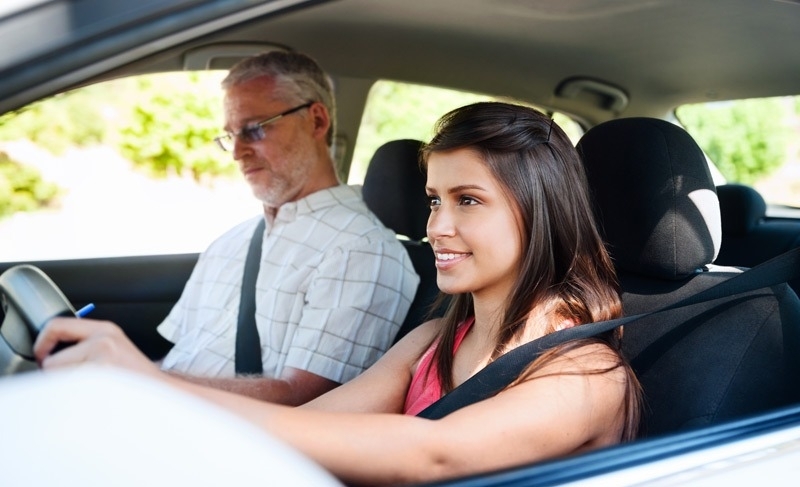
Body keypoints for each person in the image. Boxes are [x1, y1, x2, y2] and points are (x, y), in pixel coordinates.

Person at [36, 101, 641, 485]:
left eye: (469, 201)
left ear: (540, 215)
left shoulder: (587, 374)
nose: (436, 226)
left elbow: (430, 455)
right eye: (435, 199)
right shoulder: (435, 338)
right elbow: (310, 427)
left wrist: (146, 381)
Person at [155, 50, 419, 404]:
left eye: (254, 129)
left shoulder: (360, 249)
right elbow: (183, 358)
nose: (236, 152)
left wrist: (145, 381)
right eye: (230, 135)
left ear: (316, 121)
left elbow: (303, 400)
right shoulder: (233, 240)